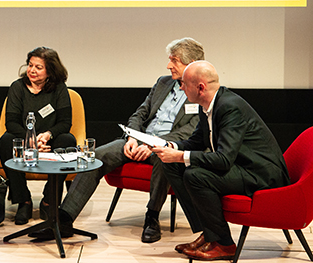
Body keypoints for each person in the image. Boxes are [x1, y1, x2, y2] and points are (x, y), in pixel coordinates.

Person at [30, 37, 202, 241]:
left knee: (165, 158)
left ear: (190, 63)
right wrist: (131, 137)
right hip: (137, 141)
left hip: (166, 147)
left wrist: (154, 144)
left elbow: (190, 130)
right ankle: (64, 220)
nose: (168, 65)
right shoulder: (163, 82)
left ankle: (152, 218)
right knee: (94, 157)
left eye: (174, 60)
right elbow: (140, 113)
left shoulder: (200, 89)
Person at [151, 61, 290, 260]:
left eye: (184, 83)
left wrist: (181, 156)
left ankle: (224, 244)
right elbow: (197, 141)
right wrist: (172, 147)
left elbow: (224, 160)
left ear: (200, 87)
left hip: (260, 173)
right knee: (172, 165)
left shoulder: (230, 107)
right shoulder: (206, 104)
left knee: (195, 175)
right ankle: (209, 234)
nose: (180, 87)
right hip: (240, 166)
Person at [0, 46, 76, 225]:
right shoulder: (18, 87)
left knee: (68, 140)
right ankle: (23, 201)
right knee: (6, 141)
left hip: (50, 140)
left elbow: (65, 122)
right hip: (25, 139)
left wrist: (47, 135)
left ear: (50, 71)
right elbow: (11, 123)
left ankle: (49, 200)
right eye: (30, 65)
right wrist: (31, 141)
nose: (32, 70)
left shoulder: (59, 88)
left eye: (38, 67)